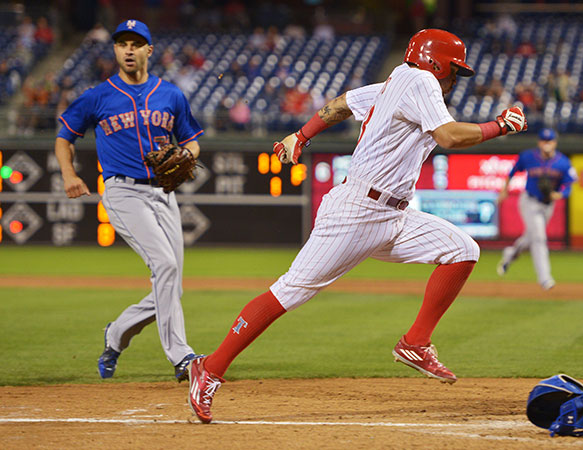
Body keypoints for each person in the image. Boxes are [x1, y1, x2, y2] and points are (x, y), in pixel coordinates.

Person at [187, 28, 528, 424]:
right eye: (454, 70)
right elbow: (449, 137)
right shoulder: (420, 80)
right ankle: (209, 368)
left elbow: (342, 103)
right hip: (357, 213)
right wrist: (501, 125)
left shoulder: (396, 83)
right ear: (436, 64)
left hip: (393, 215)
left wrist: (302, 134)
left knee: (463, 250)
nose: (455, 79)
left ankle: (415, 342)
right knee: (290, 291)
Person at [54, 20, 203, 381]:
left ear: (149, 50)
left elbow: (193, 140)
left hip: (163, 193)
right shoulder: (97, 96)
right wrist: (69, 175)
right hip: (122, 191)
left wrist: (187, 153)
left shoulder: (171, 95)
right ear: (116, 51)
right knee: (165, 267)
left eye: (137, 44)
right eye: (122, 44)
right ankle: (182, 357)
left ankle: (116, 334)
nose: (129, 50)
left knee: (172, 285)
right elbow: (64, 137)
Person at [496, 128, 576, 290]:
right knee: (539, 238)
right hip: (529, 201)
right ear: (539, 142)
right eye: (544, 141)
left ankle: (510, 254)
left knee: (530, 237)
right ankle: (545, 278)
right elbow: (512, 172)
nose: (547, 144)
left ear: (555, 143)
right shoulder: (528, 156)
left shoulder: (563, 162)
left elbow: (569, 185)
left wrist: (559, 194)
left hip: (548, 204)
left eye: (550, 141)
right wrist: (504, 191)